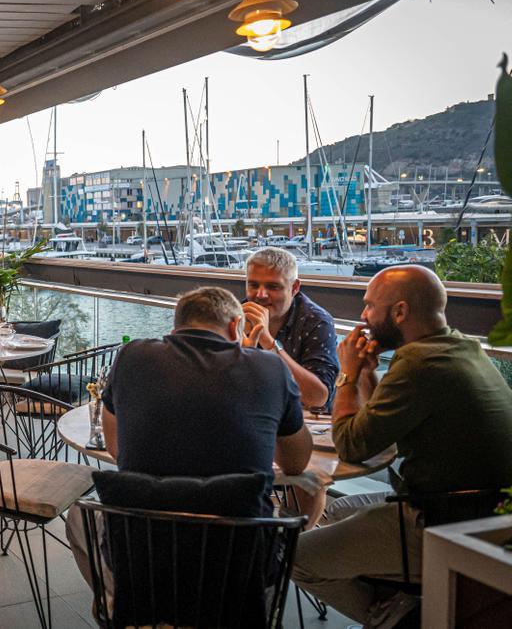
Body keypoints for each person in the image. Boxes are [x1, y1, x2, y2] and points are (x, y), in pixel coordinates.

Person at [292, 265, 512, 624]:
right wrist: (365, 372)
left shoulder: (420, 365)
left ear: (400, 312)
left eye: (368, 306)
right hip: (486, 512)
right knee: (335, 510)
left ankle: (398, 619)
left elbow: (351, 445)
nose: (362, 316)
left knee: (295, 557)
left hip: (444, 520)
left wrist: (346, 375)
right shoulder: (458, 346)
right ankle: (399, 601)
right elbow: (385, 432)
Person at [66, 287, 312, 594]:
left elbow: (118, 450)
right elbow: (296, 462)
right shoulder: (271, 367)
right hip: (240, 567)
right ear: (237, 326)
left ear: (174, 329)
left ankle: (123, 604)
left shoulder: (130, 356)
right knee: (271, 522)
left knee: (79, 516)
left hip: (142, 555)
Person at [242, 247, 340, 524]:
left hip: (305, 424)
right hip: (249, 420)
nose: (260, 295)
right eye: (253, 285)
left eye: (272, 287)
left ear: (294, 287)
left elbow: (318, 396)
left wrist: (269, 345)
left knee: (309, 479)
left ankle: (292, 551)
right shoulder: (235, 315)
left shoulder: (315, 321)